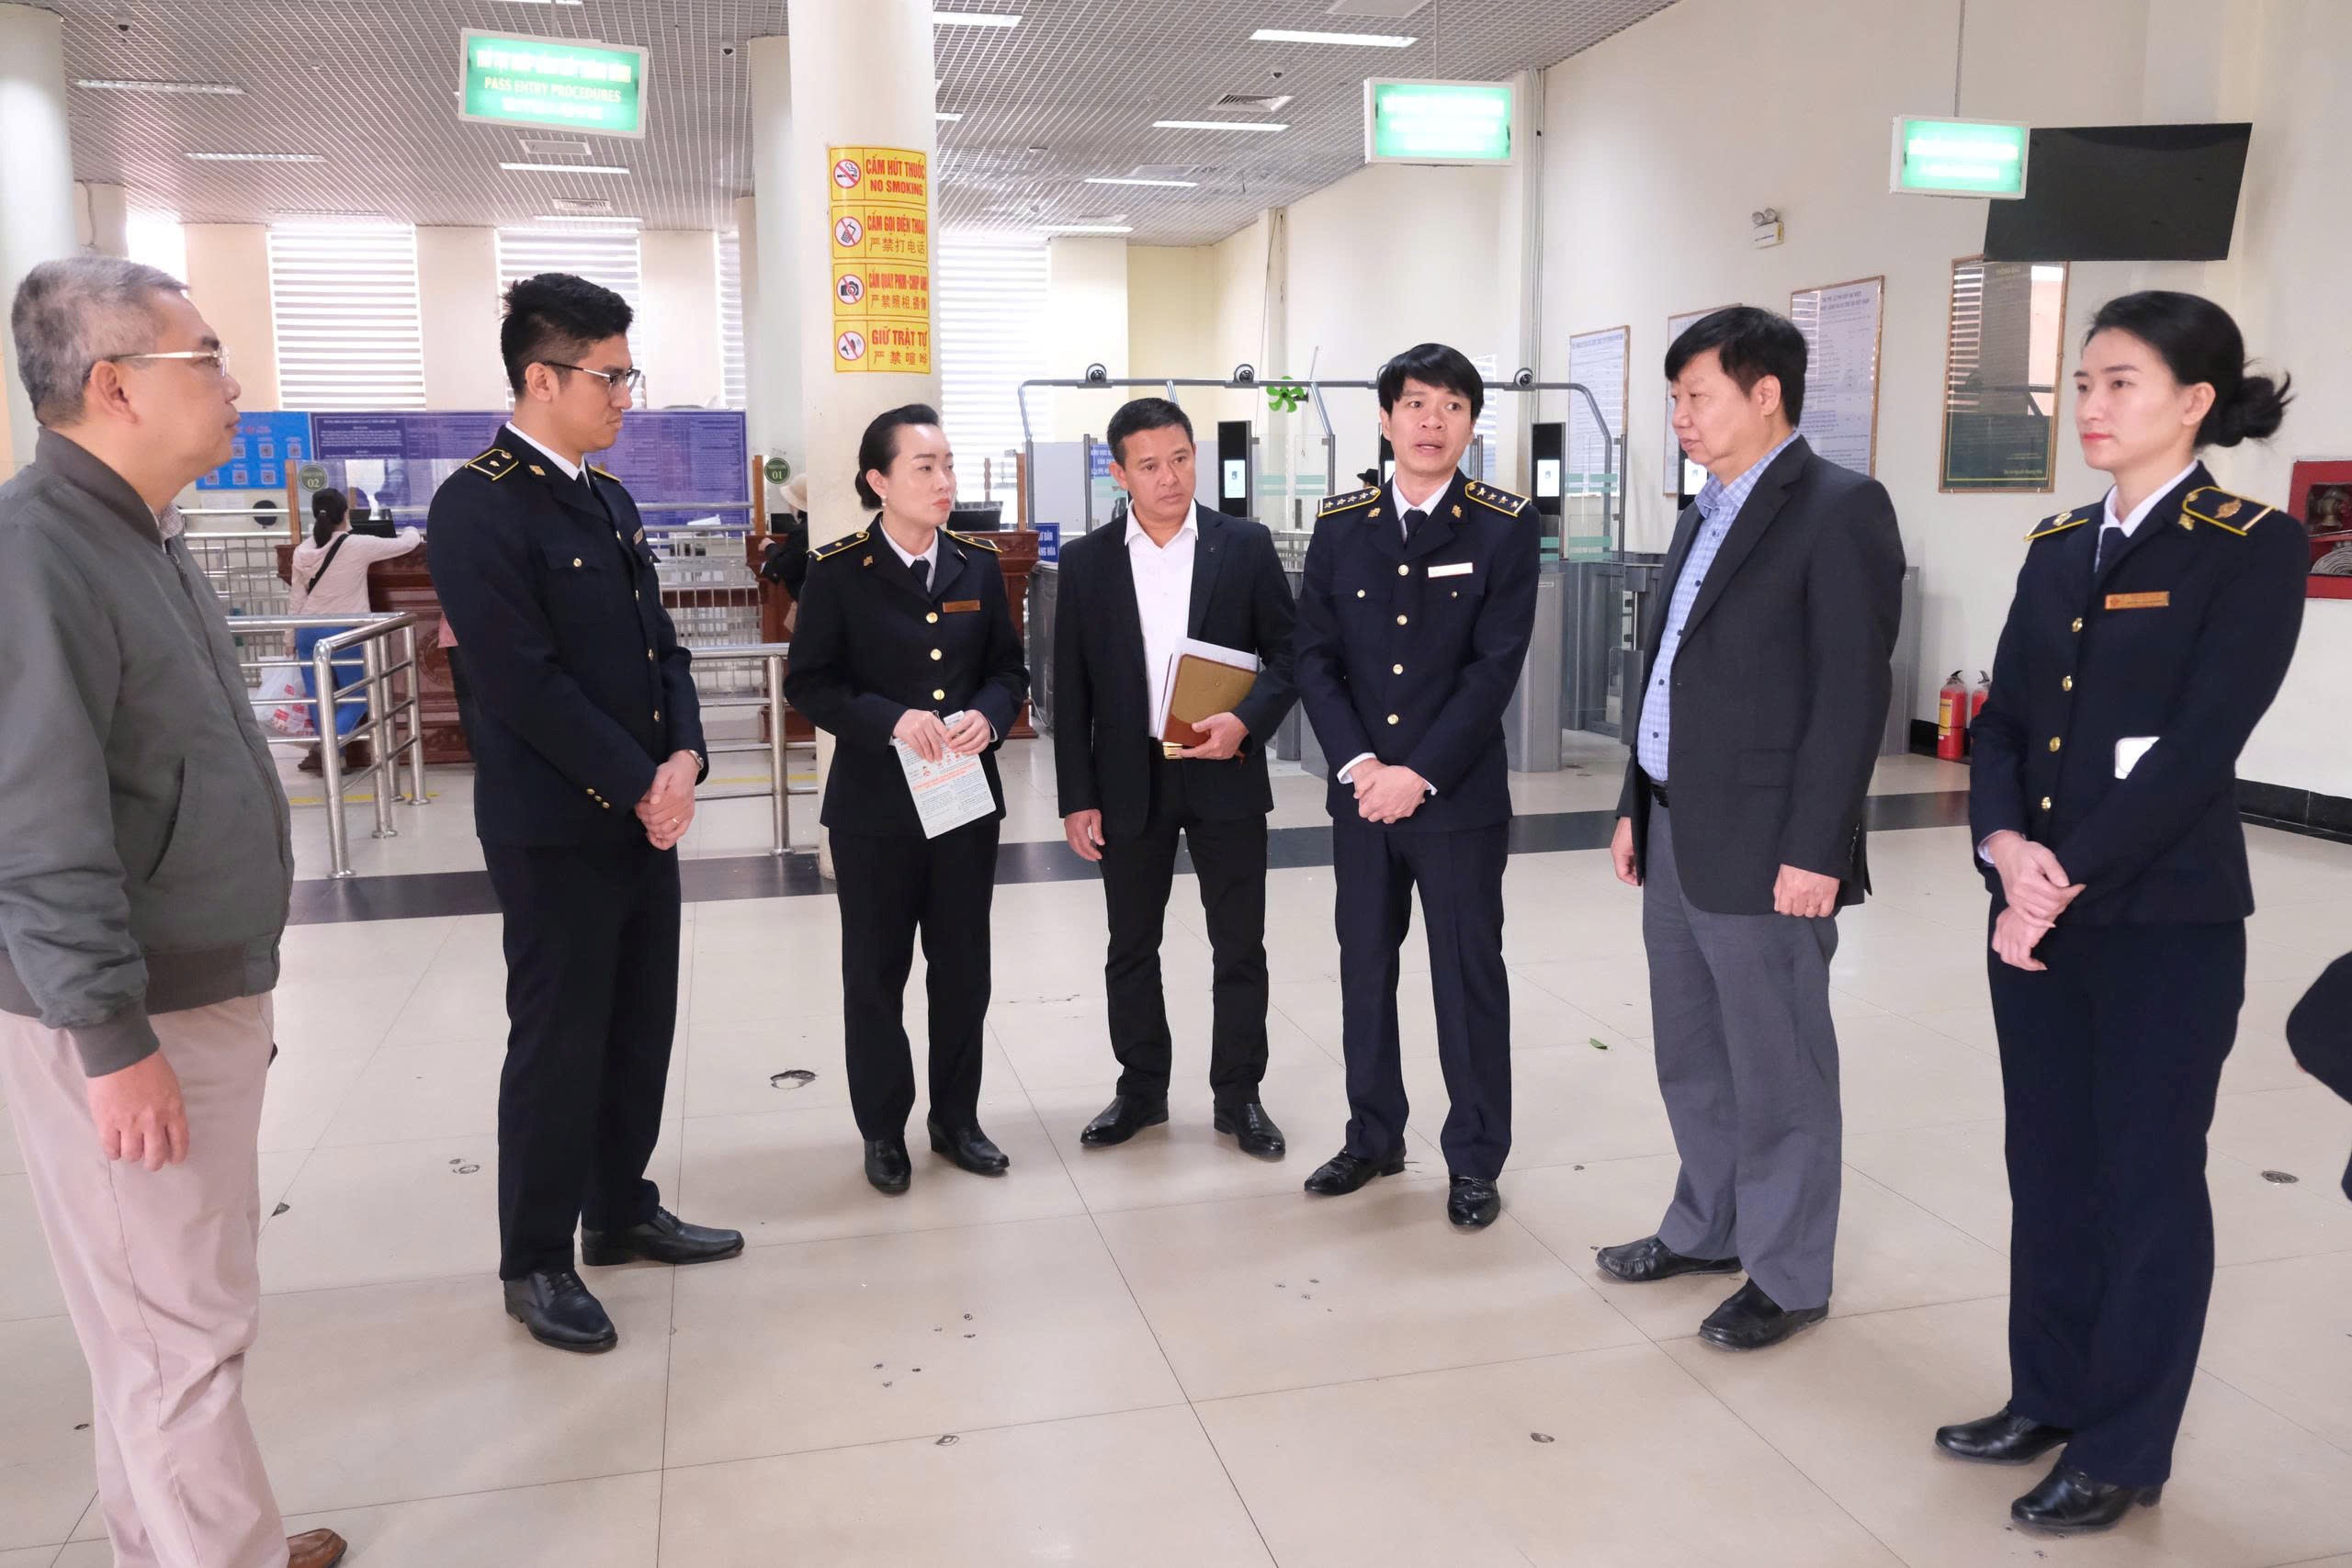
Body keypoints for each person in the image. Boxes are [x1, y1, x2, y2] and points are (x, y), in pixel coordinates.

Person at [1936, 291, 2307, 1534]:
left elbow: (2201, 747)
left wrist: (2056, 876)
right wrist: (2002, 848)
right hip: (2031, 908)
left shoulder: (2251, 546)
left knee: (2145, 1179)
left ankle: (2123, 1444)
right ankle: (2047, 1393)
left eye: (2119, 383)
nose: (2089, 406)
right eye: (2083, 383)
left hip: (2163, 924)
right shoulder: (2057, 545)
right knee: (2046, 1163)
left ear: (2194, 401)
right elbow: (2002, 722)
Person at [0, 257, 346, 1568]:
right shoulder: (37, 552)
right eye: (203, 357)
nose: (234, 383)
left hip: (187, 984)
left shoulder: (139, 531)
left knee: (150, 1320)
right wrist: (112, 1039)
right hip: (134, 1010)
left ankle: (179, 1539)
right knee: (177, 1332)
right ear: (113, 386)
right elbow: (35, 828)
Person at [428, 273, 742, 1355]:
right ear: (541, 378)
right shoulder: (478, 505)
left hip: (641, 811)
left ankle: (617, 1209)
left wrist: (685, 754)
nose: (625, 397)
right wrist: (639, 780)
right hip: (555, 825)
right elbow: (521, 682)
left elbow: (662, 653)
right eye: (608, 377)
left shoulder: (607, 500)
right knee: (560, 1039)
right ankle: (535, 1259)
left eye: (627, 373)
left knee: (638, 1023)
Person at [1597, 306, 1905, 1351]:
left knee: (1779, 1067)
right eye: (1675, 399)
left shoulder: (1839, 508)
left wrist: (1818, 850)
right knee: (1692, 1051)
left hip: (1771, 844)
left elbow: (1852, 696)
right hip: (1676, 823)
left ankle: (1788, 1273)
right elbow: (1669, 674)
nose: (1680, 417)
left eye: (1697, 396)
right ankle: (1707, 1227)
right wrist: (1635, 801)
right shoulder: (1705, 510)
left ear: (1764, 393)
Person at [1292, 343, 1538, 1229]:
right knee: (1365, 967)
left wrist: (1418, 773)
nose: (1433, 422)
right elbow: (1314, 657)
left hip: (1456, 799)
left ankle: (1473, 1157)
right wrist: (1361, 767)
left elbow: (1492, 670)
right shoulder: (1340, 524)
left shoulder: (1503, 526)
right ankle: (1372, 1135)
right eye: (1417, 404)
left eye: (1453, 407)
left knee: (1466, 976)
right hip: (1362, 799)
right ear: (1386, 417)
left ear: (1472, 423)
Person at [785, 405, 1029, 1194]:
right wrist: (891, 719)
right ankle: (882, 1129)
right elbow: (809, 684)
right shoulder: (838, 569)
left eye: (948, 464)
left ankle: (957, 1120)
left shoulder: (977, 565)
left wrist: (988, 714)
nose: (943, 480)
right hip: (875, 812)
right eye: (924, 466)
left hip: (962, 803)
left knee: (962, 970)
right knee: (875, 974)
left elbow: (1009, 670)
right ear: (879, 481)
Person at [1053, 397, 1300, 1157]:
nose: (1170, 477)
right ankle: (1140, 1089)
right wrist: (1076, 798)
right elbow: (1071, 689)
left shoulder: (1244, 544)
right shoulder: (1089, 561)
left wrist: (1246, 721)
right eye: (1151, 465)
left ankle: (1240, 1095)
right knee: (1131, 942)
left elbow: (1291, 653)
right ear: (1119, 472)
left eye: (1182, 459)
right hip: (1128, 779)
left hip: (1224, 770)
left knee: (1240, 943)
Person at [287, 486, 422, 773]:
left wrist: (289, 637)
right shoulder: (357, 545)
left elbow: (296, 598)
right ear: (345, 513)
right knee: (360, 696)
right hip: (343, 631)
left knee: (319, 698)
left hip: (307, 631)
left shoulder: (302, 550)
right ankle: (330, 745)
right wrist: (412, 527)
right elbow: (406, 544)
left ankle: (335, 758)